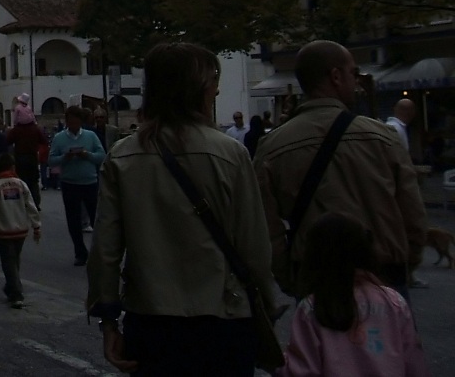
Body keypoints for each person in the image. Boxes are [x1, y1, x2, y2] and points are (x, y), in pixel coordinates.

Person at [87, 42, 278, 376]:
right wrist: (266, 310)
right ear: (199, 91)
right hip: (224, 316)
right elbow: (255, 246)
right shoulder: (230, 154)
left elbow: (105, 250)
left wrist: (108, 321)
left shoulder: (122, 156)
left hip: (152, 319)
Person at [254, 41, 426, 301]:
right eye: (353, 73)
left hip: (316, 280)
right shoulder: (383, 137)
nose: (356, 82)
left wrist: (291, 278)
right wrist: (404, 264)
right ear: (336, 76)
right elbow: (413, 215)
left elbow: (267, 230)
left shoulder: (272, 147)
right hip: (383, 276)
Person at [276, 212, 428, 376]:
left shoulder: (312, 307)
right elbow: (413, 361)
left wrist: (276, 364)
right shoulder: (394, 302)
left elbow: (302, 371)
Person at [48, 106, 106, 265]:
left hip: (90, 182)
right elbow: (51, 160)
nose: (73, 125)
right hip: (69, 183)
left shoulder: (91, 136)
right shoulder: (59, 138)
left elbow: (102, 156)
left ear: (81, 122)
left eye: (76, 122)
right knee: (73, 220)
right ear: (66, 122)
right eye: (70, 122)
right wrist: (64, 157)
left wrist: (87, 155)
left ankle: (99, 251)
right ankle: (80, 252)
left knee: (97, 219)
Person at [0, 151, 41, 309]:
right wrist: (36, 225)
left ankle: (16, 293)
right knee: (15, 259)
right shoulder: (21, 184)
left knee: (8, 261)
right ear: (13, 166)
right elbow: (31, 206)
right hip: (21, 228)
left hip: (4, 229)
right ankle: (11, 286)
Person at [6, 104, 47, 210]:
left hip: (20, 157)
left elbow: (8, 141)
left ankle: (23, 202)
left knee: (21, 181)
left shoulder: (16, 130)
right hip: (32, 157)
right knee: (34, 181)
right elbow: (43, 140)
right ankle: (36, 203)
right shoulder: (35, 129)